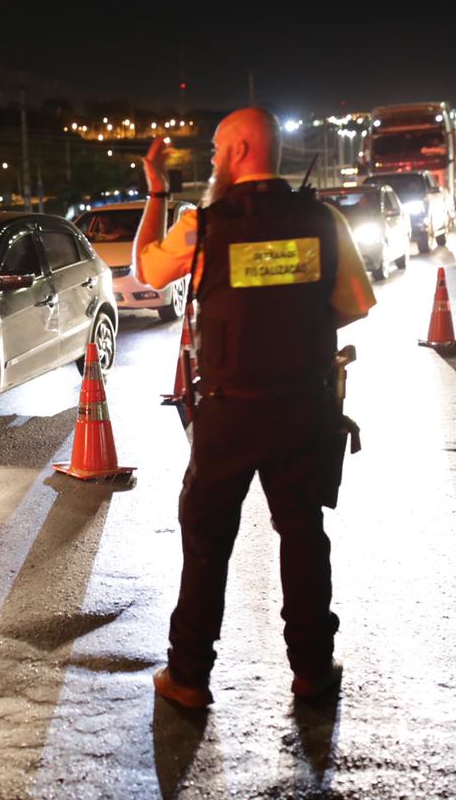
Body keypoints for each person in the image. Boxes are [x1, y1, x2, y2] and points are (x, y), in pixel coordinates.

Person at [132, 108, 376, 707]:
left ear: (241, 151)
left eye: (217, 151)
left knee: (208, 542)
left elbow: (143, 270)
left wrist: (157, 193)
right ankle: (312, 669)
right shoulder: (322, 221)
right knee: (301, 534)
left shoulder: (203, 227)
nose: (213, 162)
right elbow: (354, 305)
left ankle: (188, 677)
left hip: (228, 412)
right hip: (302, 407)